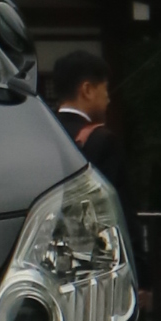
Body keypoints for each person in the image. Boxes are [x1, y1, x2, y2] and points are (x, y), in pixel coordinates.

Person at [48, 55, 128, 213]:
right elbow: (119, 210)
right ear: (88, 90)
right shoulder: (103, 141)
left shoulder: (40, 134)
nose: (108, 99)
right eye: (105, 89)